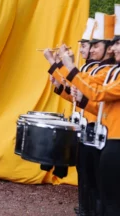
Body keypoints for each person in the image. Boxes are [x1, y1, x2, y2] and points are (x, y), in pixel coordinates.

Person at [46, 13, 116, 215]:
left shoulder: (105, 71)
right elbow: (81, 98)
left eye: (94, 46)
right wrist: (62, 87)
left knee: (99, 182)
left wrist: (57, 65)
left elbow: (94, 95)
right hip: (89, 127)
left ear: (108, 48)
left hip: (101, 130)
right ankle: (86, 209)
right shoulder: (95, 69)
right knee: (85, 175)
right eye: (88, 46)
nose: (89, 49)